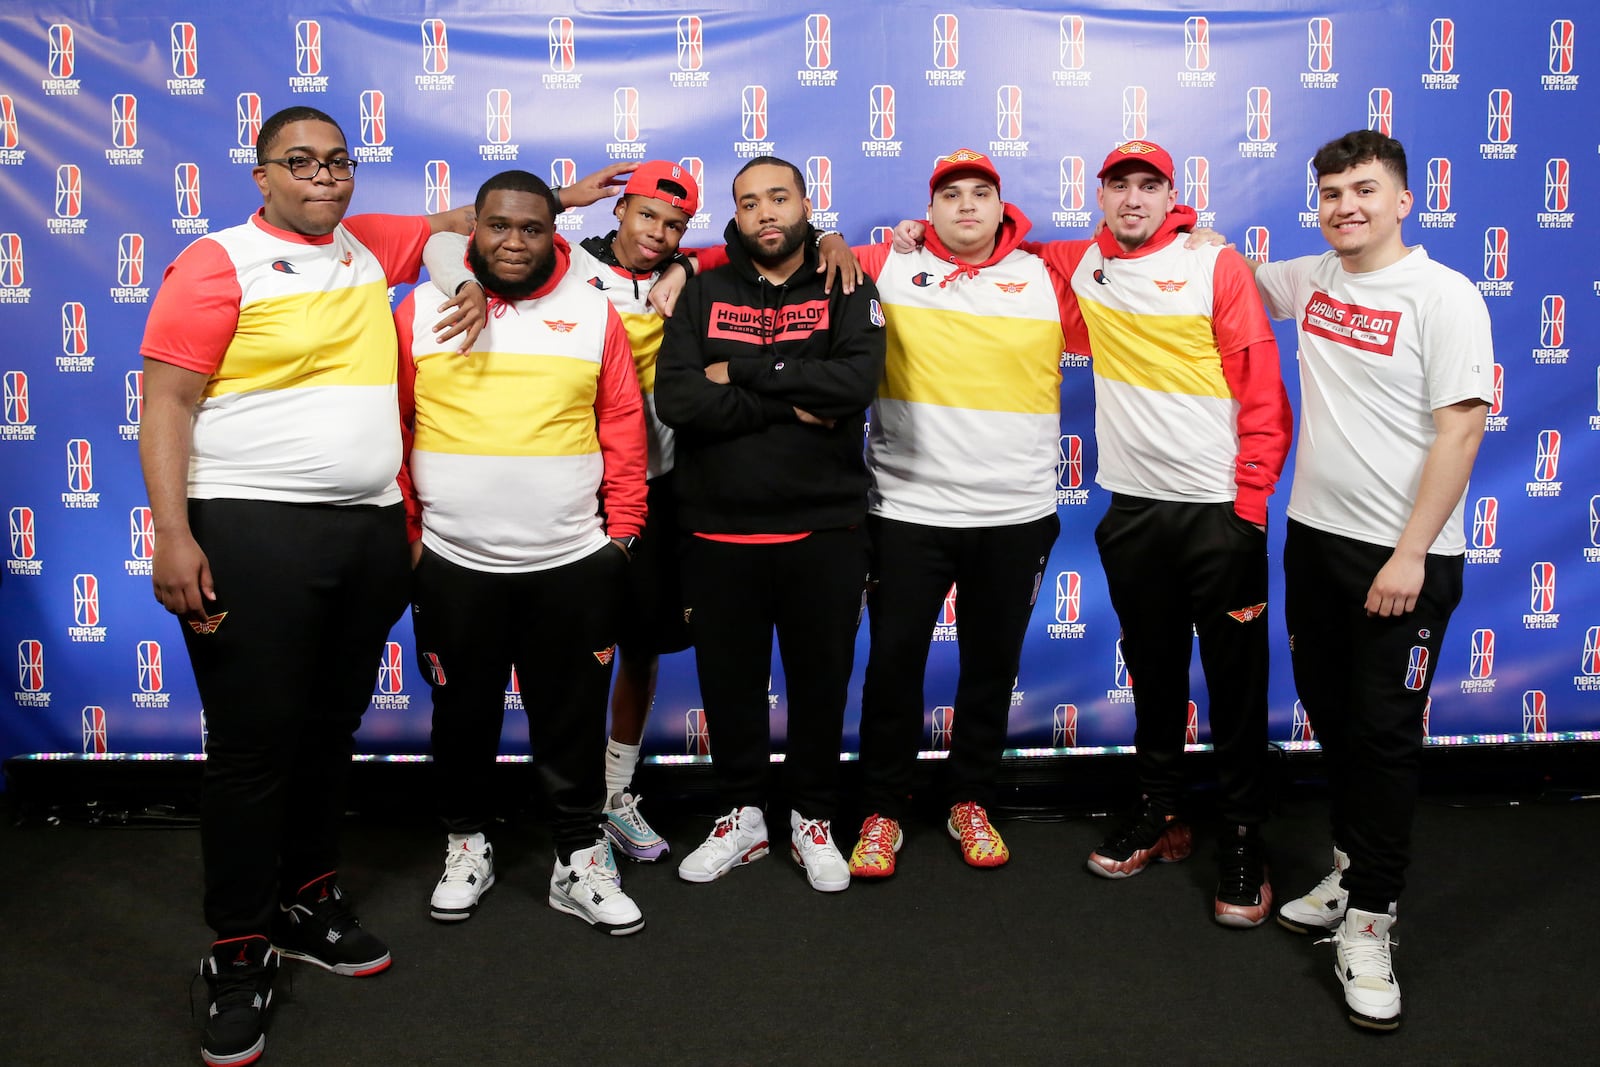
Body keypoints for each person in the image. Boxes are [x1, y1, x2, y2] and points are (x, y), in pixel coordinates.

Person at [138, 105, 474, 1067]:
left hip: (367, 529)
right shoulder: (217, 260)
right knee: (254, 748)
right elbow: (166, 399)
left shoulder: (368, 245)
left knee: (331, 729)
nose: (324, 177)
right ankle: (237, 950)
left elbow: (463, 223)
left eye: (338, 161)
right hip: (250, 527)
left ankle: (305, 900)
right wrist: (173, 533)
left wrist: (568, 198)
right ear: (260, 174)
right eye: (300, 162)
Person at [426, 163, 862, 866]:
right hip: (567, 490)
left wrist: (832, 237)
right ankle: (549, 814)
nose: (658, 235)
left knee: (639, 647)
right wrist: (500, 251)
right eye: (646, 217)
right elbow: (445, 243)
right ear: (619, 211)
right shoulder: (562, 264)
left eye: (674, 226)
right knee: (558, 658)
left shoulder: (698, 269)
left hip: (654, 489)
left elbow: (774, 246)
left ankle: (614, 792)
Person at [1250, 129, 1492, 1030]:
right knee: (1338, 719)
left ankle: (1373, 922)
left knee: (1386, 738)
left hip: (1403, 555)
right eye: (1330, 193)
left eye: (1362, 190)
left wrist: (1410, 551)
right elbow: (1210, 273)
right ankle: (1351, 870)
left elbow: (1460, 431)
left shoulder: (1444, 294)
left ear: (1403, 200)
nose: (1345, 206)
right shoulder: (1313, 278)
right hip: (1313, 541)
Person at [398, 169, 649, 934]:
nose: (514, 242)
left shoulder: (592, 310)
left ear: (555, 233)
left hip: (571, 563)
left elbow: (622, 425)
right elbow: (394, 424)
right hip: (453, 560)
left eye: (532, 228)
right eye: (498, 227)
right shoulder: (418, 308)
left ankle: (578, 856)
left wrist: (622, 537)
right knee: (461, 716)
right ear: (472, 229)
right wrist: (412, 539)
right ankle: (466, 843)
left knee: (571, 722)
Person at [654, 155, 885, 893]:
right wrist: (793, 398)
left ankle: (813, 816)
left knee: (821, 686)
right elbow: (681, 401)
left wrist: (746, 371)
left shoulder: (846, 280)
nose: (765, 212)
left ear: (805, 201)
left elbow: (853, 385)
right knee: (730, 688)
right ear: (736, 214)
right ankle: (742, 815)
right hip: (719, 532)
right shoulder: (703, 287)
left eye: (778, 197)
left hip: (825, 529)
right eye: (749, 202)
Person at [844, 150, 1072, 878]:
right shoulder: (884, 263)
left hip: (1017, 512)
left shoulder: (1047, 274)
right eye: (951, 195)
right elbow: (763, 252)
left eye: (981, 193)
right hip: (908, 509)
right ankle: (882, 807)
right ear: (930, 207)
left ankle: (969, 796)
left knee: (991, 665)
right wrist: (824, 241)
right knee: (893, 665)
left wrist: (1200, 235)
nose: (966, 206)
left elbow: (1142, 256)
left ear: (1002, 207)